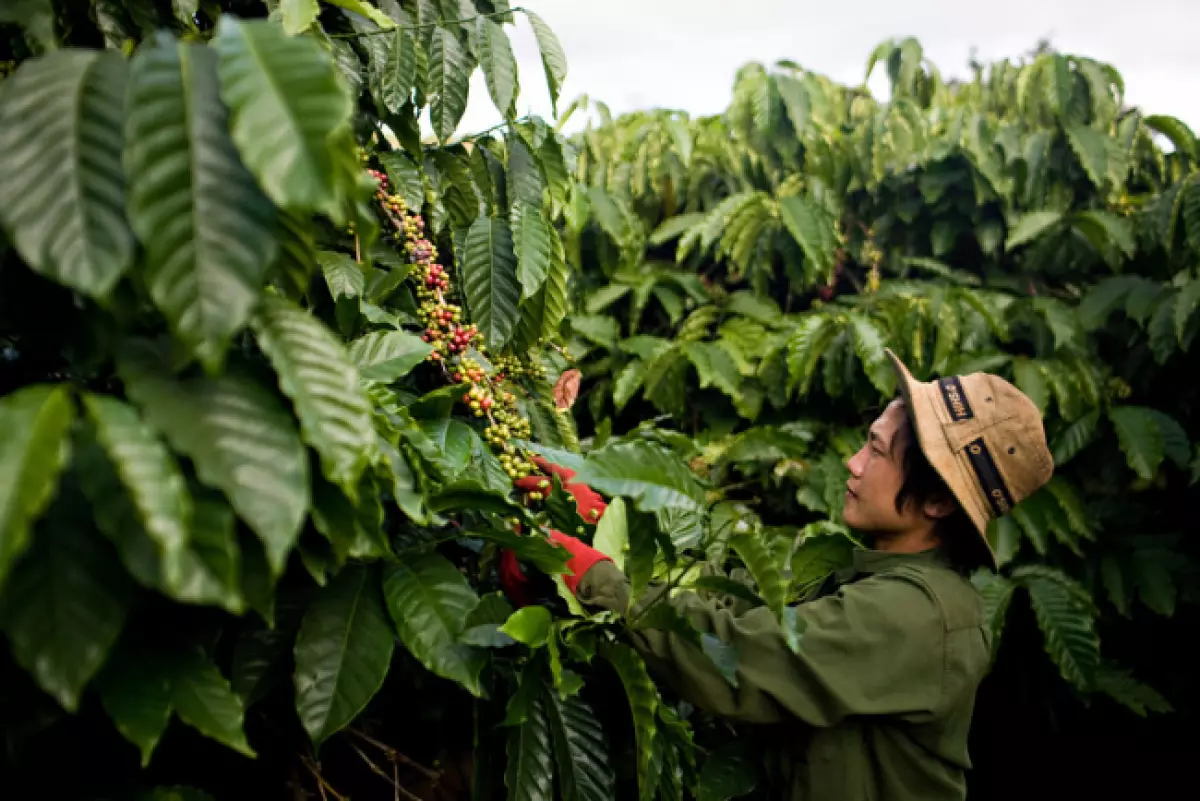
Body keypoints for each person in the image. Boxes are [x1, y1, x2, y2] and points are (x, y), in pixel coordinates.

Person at [501, 349, 1054, 801]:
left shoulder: (921, 615)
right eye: (867, 440)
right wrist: (594, 518)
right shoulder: (871, 575)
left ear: (935, 499)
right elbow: (739, 612)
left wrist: (590, 574)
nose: (855, 464)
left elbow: (738, 655)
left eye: (879, 452)